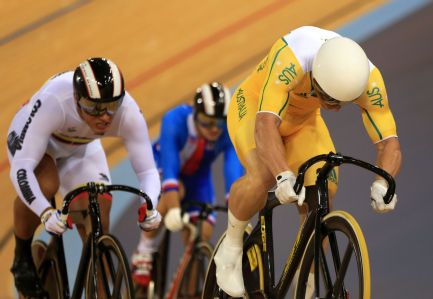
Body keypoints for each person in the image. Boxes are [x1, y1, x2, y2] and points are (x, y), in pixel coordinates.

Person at [213, 26, 402, 297]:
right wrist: (282, 174)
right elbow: (265, 125)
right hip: (255, 107)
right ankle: (230, 249)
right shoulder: (291, 57)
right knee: (263, 174)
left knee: (323, 193)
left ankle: (307, 278)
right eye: (329, 99)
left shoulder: (367, 79)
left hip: (303, 122)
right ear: (315, 77)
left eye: (342, 102)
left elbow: (389, 142)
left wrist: (384, 183)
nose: (335, 107)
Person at [7, 57, 162, 297]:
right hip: (37, 144)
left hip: (79, 148)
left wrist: (149, 204)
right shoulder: (55, 100)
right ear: (77, 98)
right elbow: (22, 168)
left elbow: (148, 171)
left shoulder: (127, 112)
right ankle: (23, 255)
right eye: (94, 107)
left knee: (98, 214)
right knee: (47, 183)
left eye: (112, 107)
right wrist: (45, 212)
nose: (104, 117)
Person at [131, 82, 244, 289]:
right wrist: (173, 207)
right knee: (177, 191)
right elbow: (171, 169)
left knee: (204, 233)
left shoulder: (227, 131)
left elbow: (233, 172)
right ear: (195, 113)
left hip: (198, 179)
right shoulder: (175, 120)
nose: (213, 129)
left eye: (219, 123)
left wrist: (236, 209)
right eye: (206, 122)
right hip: (161, 167)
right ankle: (145, 249)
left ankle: (189, 288)